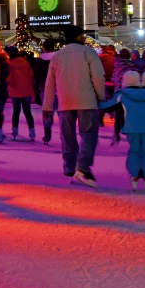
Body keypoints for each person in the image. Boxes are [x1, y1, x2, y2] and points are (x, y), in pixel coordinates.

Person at [43, 24, 105, 188]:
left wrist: (47, 106)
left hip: (65, 101)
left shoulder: (57, 56)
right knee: (89, 134)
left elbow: (49, 84)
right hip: (86, 100)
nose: (85, 37)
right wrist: (101, 96)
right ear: (77, 37)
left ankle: (69, 167)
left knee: (67, 135)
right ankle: (83, 168)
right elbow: (98, 77)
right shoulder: (89, 53)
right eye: (83, 35)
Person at [100, 71, 145, 191]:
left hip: (132, 128)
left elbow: (107, 107)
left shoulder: (122, 95)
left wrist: (98, 100)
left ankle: (134, 174)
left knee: (134, 151)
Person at [6, 46, 36, 141]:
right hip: (26, 89)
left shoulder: (10, 64)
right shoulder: (25, 62)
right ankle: (32, 131)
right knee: (27, 111)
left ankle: (15, 130)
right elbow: (31, 75)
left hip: (15, 90)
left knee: (16, 111)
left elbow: (9, 78)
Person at [110, 48, 135, 145]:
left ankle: (117, 133)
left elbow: (113, 78)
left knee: (118, 111)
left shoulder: (117, 65)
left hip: (118, 92)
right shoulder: (132, 66)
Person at [33, 40, 56, 144]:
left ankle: (47, 132)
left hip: (44, 89)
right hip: (58, 89)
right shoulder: (58, 59)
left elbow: (36, 78)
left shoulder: (39, 61)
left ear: (44, 48)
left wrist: (36, 92)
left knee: (47, 112)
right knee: (62, 112)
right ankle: (65, 134)